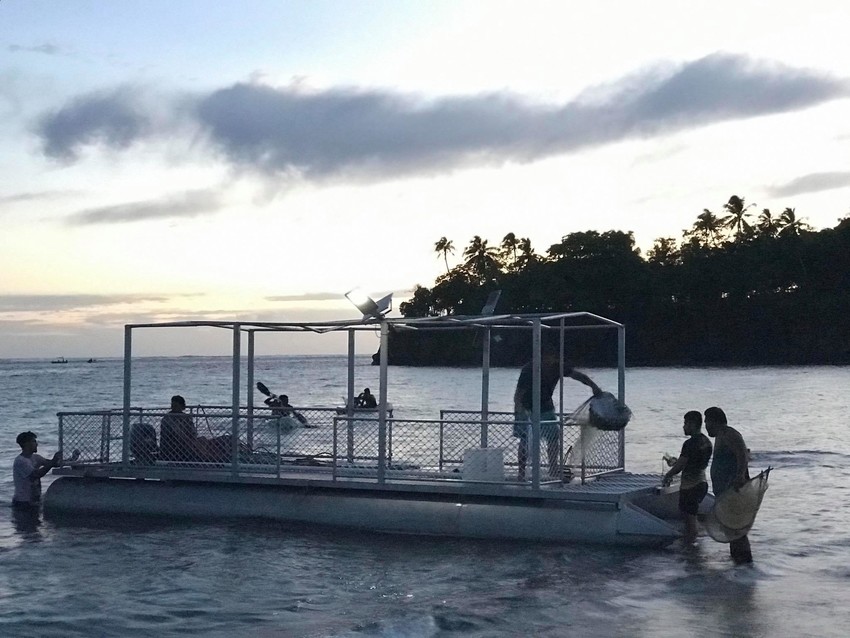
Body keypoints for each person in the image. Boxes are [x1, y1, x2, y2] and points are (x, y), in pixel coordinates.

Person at [513, 351, 602, 481]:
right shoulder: (530, 369)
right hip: (526, 406)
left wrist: (593, 386)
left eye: (555, 357)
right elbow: (519, 392)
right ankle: (521, 472)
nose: (553, 360)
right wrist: (519, 411)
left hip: (545, 406)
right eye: (550, 357)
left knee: (554, 437)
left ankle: (553, 468)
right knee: (525, 440)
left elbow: (577, 375)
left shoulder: (557, 367)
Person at [705, 406, 753, 564]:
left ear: (715, 421)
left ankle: (744, 563)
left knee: (736, 529)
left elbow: (743, 454)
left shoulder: (728, 434)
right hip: (725, 492)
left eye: (707, 422)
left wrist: (739, 476)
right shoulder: (721, 436)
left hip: (734, 491)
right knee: (731, 529)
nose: (706, 426)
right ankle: (738, 564)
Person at [662, 411, 713, 544]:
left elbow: (681, 465)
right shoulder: (706, 442)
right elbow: (692, 463)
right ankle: (694, 546)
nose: (684, 427)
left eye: (685, 423)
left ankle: (690, 549)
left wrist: (668, 474)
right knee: (693, 516)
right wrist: (675, 462)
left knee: (689, 520)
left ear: (692, 424)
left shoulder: (689, 444)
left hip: (690, 486)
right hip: (702, 483)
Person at [12, 431, 62, 509]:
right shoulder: (21, 461)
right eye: (34, 441)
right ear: (26, 444)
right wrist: (53, 462)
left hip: (34, 501)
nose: (37, 444)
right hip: (23, 502)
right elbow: (36, 474)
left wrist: (72, 459)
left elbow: (53, 464)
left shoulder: (36, 457)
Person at [159, 395, 197, 461]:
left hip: (186, 444)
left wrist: (192, 439)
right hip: (173, 446)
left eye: (175, 406)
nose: (173, 407)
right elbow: (177, 433)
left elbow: (193, 432)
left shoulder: (186, 417)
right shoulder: (167, 418)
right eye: (173, 405)